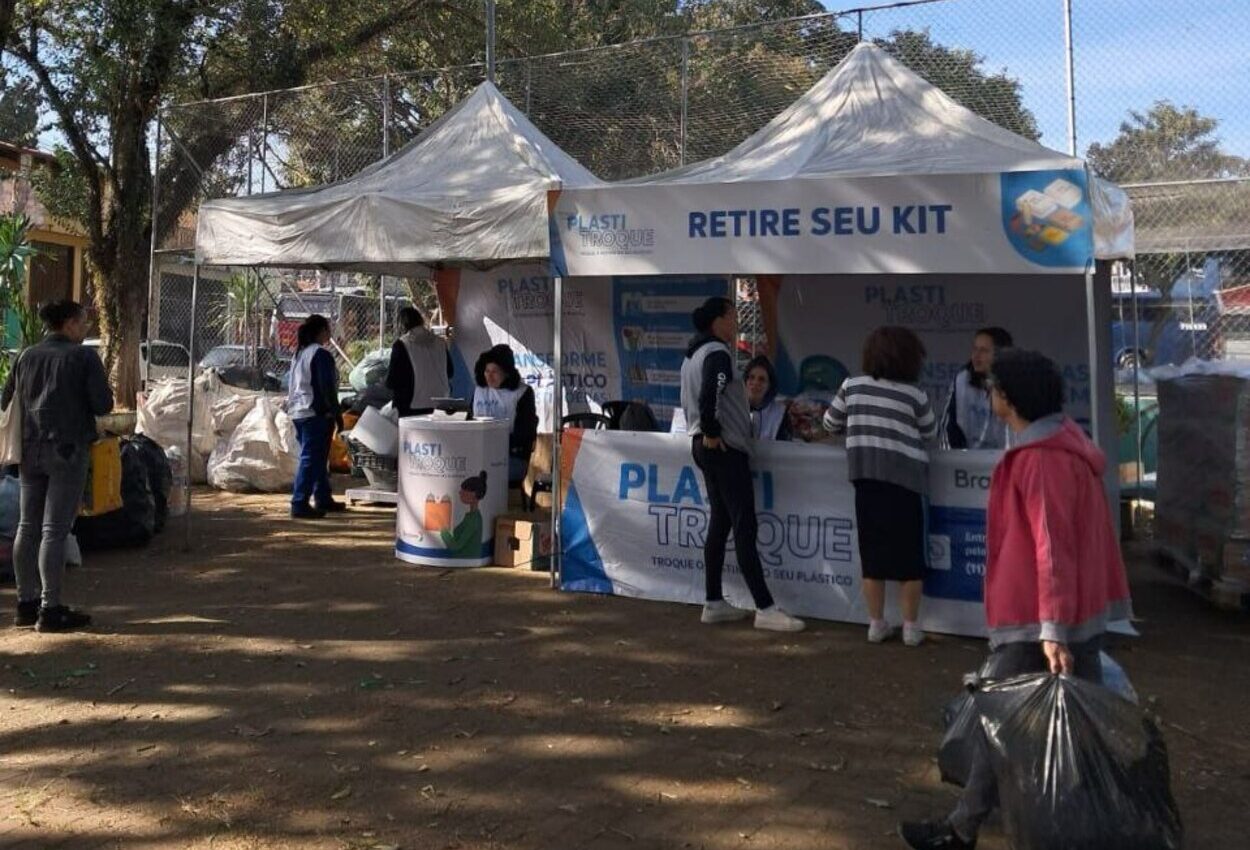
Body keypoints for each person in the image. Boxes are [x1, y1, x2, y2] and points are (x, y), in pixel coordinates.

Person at [898, 349, 1133, 850]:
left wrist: (1051, 627)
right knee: (1073, 725)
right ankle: (1078, 823)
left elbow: (1051, 547)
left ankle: (966, 827)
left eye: (995, 389)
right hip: (1072, 614)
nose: (990, 396)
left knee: (997, 720)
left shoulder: (1042, 459)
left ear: (1009, 397)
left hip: (1039, 620)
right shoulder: (1066, 445)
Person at [680, 296, 804, 633]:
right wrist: (711, 429)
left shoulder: (692, 354)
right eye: (733, 316)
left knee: (720, 522)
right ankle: (764, 606)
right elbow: (713, 391)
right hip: (722, 446)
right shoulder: (717, 353)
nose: (737, 322)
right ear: (718, 321)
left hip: (704, 445)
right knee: (744, 524)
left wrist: (706, 431)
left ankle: (713, 600)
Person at [2, 300, 112, 632]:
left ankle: (26, 603)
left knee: (27, 526)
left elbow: (6, 400)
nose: (85, 329)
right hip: (67, 449)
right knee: (54, 530)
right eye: (82, 323)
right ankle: (51, 609)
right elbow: (103, 404)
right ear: (68, 324)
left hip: (29, 449)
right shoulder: (83, 357)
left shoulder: (25, 356)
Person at [823, 327, 936, 647]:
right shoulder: (915, 394)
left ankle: (876, 624)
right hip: (907, 483)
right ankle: (911, 627)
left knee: (872, 554)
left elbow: (830, 424)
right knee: (910, 557)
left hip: (866, 479)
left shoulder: (851, 386)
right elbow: (931, 431)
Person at [287, 314, 344, 519]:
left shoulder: (299, 353)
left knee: (317, 458)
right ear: (321, 331)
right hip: (315, 412)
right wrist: (336, 413)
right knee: (311, 458)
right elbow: (326, 387)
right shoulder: (320, 354)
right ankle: (299, 501)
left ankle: (322, 496)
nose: (330, 333)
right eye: (328, 329)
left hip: (298, 411)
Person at [470, 344, 537, 487]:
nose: (489, 376)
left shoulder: (522, 393)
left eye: (495, 372)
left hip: (511, 456)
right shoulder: (479, 391)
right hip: (480, 453)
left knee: (483, 472)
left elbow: (525, 433)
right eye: (487, 371)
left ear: (506, 373)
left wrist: (496, 444)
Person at [938, 327, 1013, 450]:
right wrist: (954, 459)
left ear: (1001, 354)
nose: (976, 355)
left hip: (1008, 459)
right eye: (975, 349)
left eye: (984, 350)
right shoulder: (962, 380)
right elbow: (948, 427)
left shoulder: (1018, 383)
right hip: (970, 461)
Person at [385, 307, 453, 418]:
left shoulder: (402, 344)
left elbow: (392, 381)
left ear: (401, 326)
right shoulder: (440, 343)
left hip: (411, 406)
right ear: (420, 320)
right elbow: (450, 372)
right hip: (441, 404)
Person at [743, 355, 792, 441]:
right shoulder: (734, 408)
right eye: (751, 377)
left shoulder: (779, 413)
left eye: (761, 379)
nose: (755, 383)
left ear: (769, 386)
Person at [440, 471, 487, 559]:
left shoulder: (473, 520)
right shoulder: (472, 516)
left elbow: (456, 546)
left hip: (465, 560)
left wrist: (443, 530)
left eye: (464, 490)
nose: (460, 492)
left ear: (473, 494)